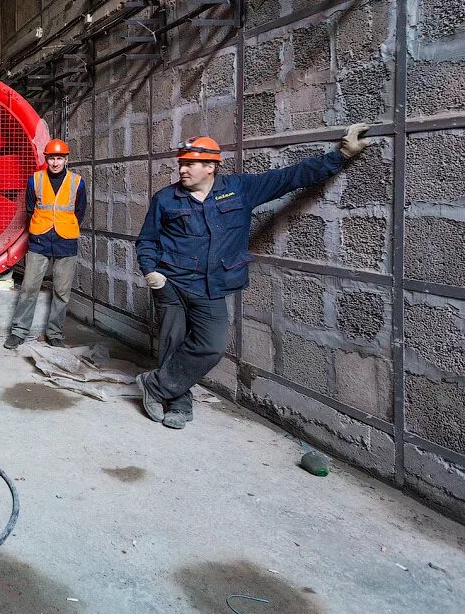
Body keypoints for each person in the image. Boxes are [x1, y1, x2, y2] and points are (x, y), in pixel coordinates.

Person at [134, 123, 371, 429]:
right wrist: (151, 272)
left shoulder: (240, 189)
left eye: (189, 164)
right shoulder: (166, 199)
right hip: (172, 282)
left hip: (212, 285)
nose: (182, 170)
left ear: (210, 166)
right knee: (172, 342)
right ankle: (178, 398)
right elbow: (147, 239)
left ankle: (154, 385)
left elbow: (290, 177)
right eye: (181, 163)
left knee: (211, 345)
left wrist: (341, 155)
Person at [4, 138, 87, 349]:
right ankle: (18, 331)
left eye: (60, 158)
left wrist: (64, 225)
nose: (56, 163)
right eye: (52, 158)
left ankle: (55, 333)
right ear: (46, 159)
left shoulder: (77, 182)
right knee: (29, 287)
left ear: (66, 159)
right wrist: (42, 226)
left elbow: (80, 211)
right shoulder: (35, 180)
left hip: (66, 240)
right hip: (40, 239)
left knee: (62, 291)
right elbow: (30, 208)